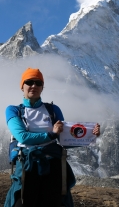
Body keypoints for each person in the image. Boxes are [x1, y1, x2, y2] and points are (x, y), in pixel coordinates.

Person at [5, 68, 100, 207]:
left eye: (38, 83)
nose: (34, 86)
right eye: (29, 82)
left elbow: (65, 139)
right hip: (27, 165)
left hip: (53, 166)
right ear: (22, 86)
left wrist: (91, 135)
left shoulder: (53, 110)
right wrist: (51, 134)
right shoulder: (13, 110)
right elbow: (23, 137)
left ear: (42, 87)